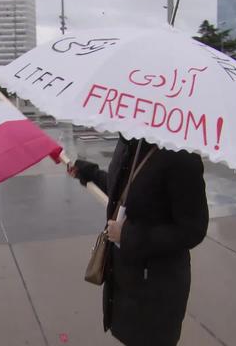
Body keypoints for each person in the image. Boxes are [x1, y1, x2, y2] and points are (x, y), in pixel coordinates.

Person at [68, 135, 208, 346]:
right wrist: (89, 173)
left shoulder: (181, 159)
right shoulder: (129, 142)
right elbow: (124, 195)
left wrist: (127, 235)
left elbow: (192, 230)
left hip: (156, 289)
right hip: (125, 279)